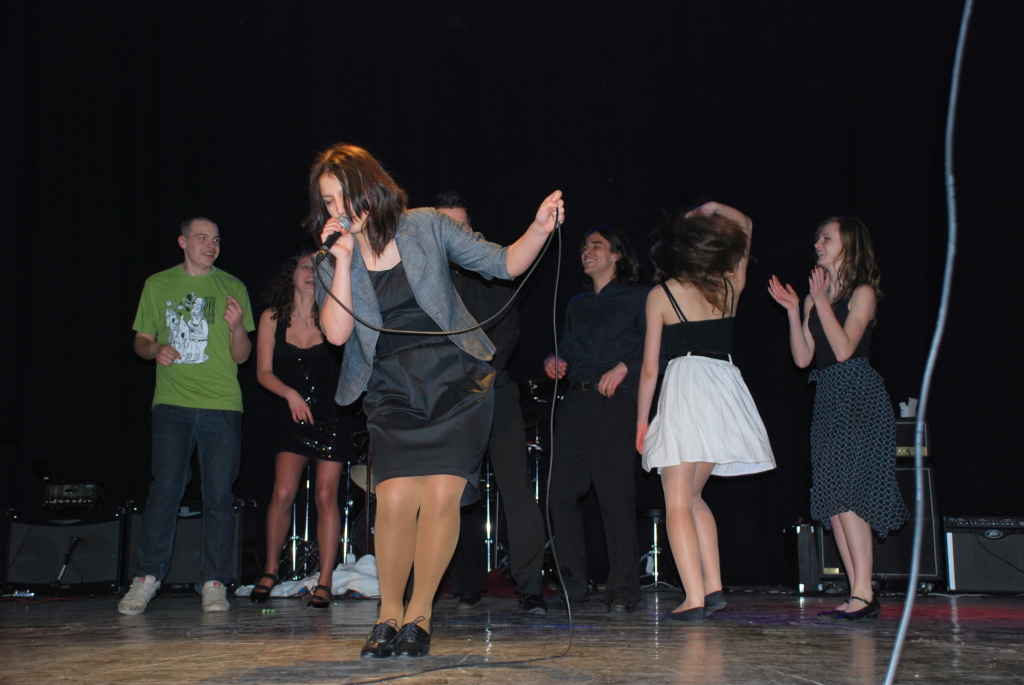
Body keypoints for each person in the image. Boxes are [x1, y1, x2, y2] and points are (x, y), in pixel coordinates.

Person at [310, 143, 563, 658]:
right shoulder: (329, 259)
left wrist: (538, 229)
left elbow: (503, 263)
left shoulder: (424, 225)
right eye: (329, 201)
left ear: (370, 187)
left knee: (442, 496)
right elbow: (336, 334)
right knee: (396, 500)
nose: (339, 209)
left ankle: (420, 616)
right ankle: (388, 615)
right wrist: (341, 260)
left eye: (345, 196)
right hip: (392, 388)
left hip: (457, 380)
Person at [635, 202, 776, 623]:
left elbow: (649, 369)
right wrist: (714, 207)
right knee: (694, 496)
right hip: (723, 387)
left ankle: (694, 597)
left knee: (676, 500)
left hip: (686, 387)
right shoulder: (730, 283)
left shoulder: (662, 294)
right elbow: (747, 224)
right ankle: (712, 588)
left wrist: (642, 421)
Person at [768, 216, 908, 621]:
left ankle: (864, 592)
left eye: (826, 238)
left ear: (849, 244)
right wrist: (795, 310)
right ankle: (857, 592)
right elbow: (802, 358)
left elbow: (845, 350)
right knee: (833, 502)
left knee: (850, 496)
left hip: (859, 395)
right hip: (828, 398)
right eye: (817, 239)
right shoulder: (815, 298)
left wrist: (822, 301)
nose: (818, 244)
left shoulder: (863, 292)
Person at [120, 217, 255, 615]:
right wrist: (154, 349)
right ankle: (147, 578)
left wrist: (236, 328)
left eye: (216, 239)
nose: (210, 245)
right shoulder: (158, 284)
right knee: (166, 488)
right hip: (172, 403)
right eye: (202, 238)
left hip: (221, 405)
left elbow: (242, 356)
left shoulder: (233, 287)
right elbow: (141, 340)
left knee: (219, 495)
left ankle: (214, 582)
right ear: (183, 242)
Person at [436, 192, 549, 616]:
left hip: (493, 388)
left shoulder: (493, 267)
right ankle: (466, 583)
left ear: (472, 230)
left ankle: (530, 586)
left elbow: (508, 331)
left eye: (459, 225)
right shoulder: (423, 272)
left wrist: (478, 370)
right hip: (446, 396)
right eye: (443, 225)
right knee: (451, 491)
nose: (453, 232)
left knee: (516, 488)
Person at [544, 226, 646, 613]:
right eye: (585, 246)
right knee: (559, 493)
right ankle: (574, 586)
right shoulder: (577, 303)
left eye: (597, 245)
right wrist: (554, 360)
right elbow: (567, 349)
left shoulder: (640, 297)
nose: (587, 250)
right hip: (577, 400)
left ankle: (623, 590)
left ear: (617, 255)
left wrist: (626, 366)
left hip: (614, 403)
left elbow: (661, 345)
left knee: (614, 495)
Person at [251, 251, 355, 608]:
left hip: (333, 415)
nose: (312, 272)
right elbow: (263, 372)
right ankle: (269, 570)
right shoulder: (272, 317)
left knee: (326, 495)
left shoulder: (333, 315)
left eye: (319, 268)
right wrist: (290, 394)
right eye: (305, 266)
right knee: (282, 492)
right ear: (291, 275)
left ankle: (325, 580)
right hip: (292, 414)